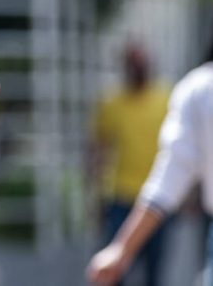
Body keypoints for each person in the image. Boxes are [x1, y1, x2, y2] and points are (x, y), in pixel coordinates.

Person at [88, 0, 213, 286]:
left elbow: (171, 174)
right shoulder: (116, 101)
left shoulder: (202, 88)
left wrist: (121, 249)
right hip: (123, 194)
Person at [88, 43, 171, 286]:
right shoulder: (112, 102)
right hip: (122, 198)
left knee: (154, 271)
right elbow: (99, 151)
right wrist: (95, 196)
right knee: (115, 271)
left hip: (158, 199)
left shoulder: (166, 99)